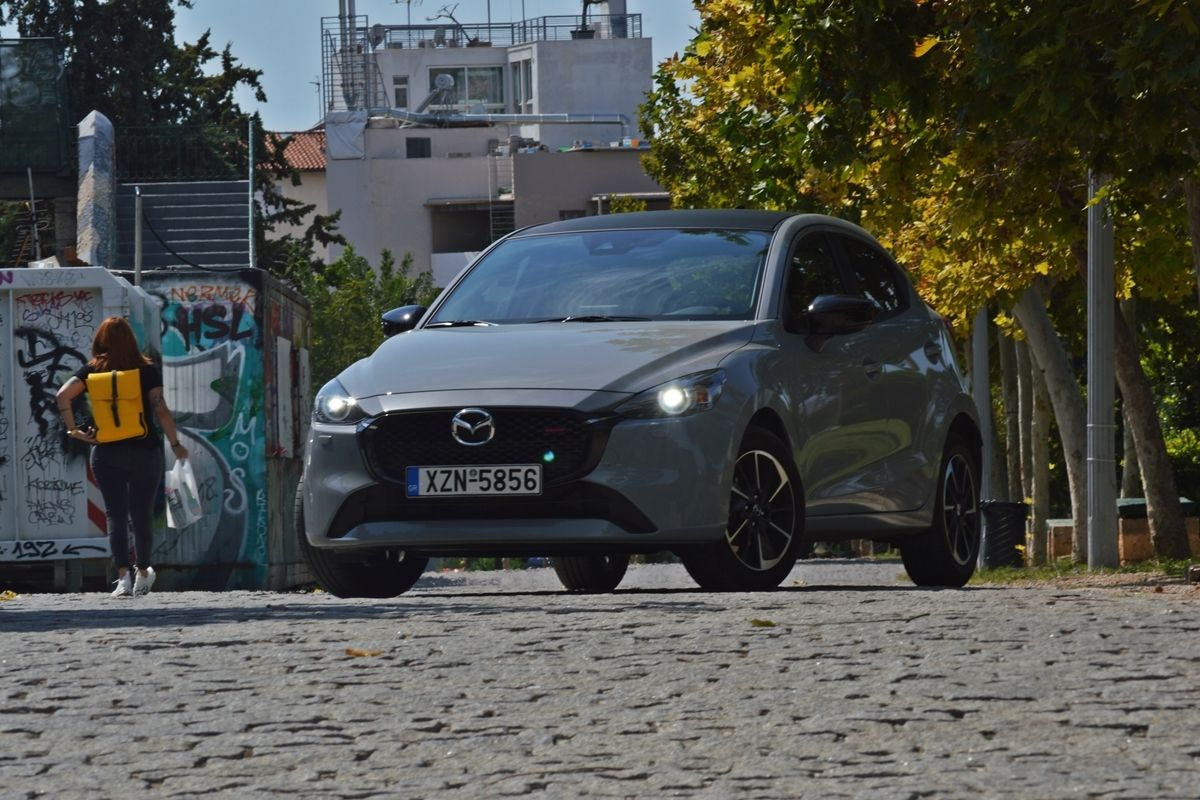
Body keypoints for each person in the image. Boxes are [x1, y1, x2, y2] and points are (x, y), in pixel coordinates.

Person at [55, 316, 189, 597]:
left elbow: (62, 395)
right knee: (141, 514)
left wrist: (74, 430)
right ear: (131, 339)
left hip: (106, 451)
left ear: (101, 340)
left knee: (115, 515)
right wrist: (175, 443)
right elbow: (160, 408)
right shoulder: (147, 369)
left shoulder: (93, 368)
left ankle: (122, 577)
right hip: (145, 451)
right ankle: (143, 573)